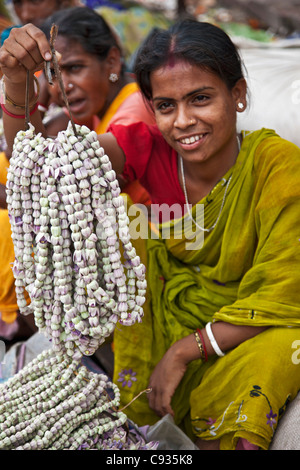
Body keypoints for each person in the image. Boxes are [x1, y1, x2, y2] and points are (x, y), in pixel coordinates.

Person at [1, 18, 300, 451]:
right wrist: (15, 81)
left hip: (252, 327)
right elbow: (40, 169)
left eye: (200, 99)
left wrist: (187, 349)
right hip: (160, 321)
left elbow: (288, 287)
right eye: (165, 105)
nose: (183, 122)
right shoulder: (145, 146)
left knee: (279, 353)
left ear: (238, 95)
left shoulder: (277, 165)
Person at [0, 6, 154, 342]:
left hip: (151, 244)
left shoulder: (134, 110)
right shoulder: (95, 108)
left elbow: (44, 177)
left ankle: (21, 321)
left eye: (74, 68)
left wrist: (17, 84)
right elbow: (31, 151)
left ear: (112, 63)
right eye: (55, 73)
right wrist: (28, 86)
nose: (64, 86)